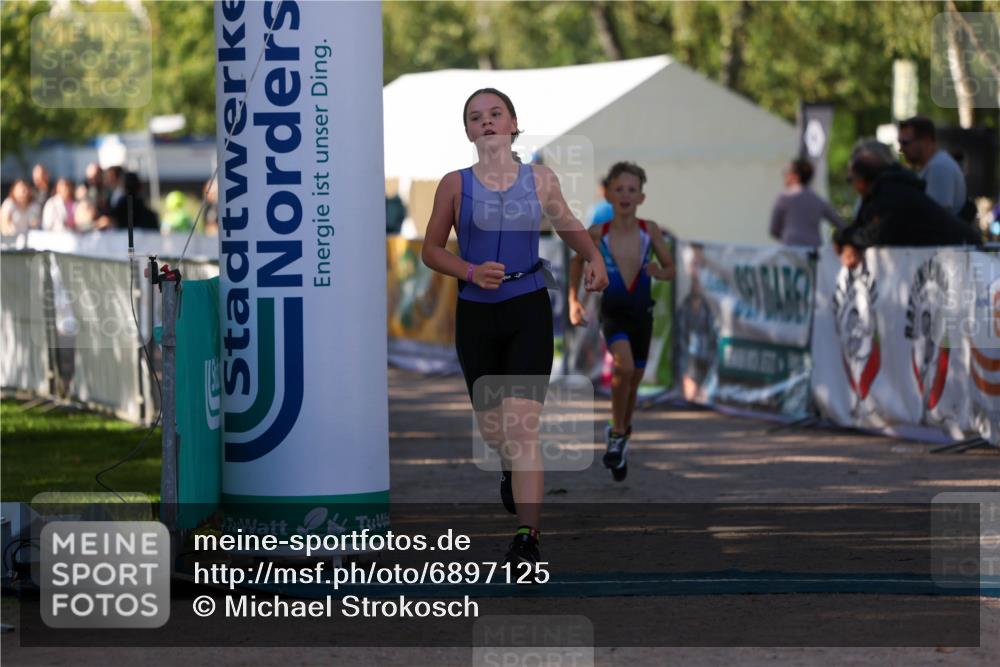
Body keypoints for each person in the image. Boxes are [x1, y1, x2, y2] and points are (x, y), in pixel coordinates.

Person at [421, 88, 608, 568]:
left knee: (523, 429)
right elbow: (432, 250)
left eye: (494, 114)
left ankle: (528, 537)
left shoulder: (540, 179)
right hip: (477, 314)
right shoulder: (454, 185)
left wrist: (592, 256)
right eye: (475, 117)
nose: (486, 122)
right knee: (495, 430)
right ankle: (506, 464)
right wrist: (469, 270)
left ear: (512, 123)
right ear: (467, 131)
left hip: (527, 308)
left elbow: (566, 224)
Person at [567, 162, 675, 481]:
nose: (625, 195)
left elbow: (671, 268)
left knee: (634, 381)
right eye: (619, 189)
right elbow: (576, 262)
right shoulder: (598, 233)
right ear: (608, 194)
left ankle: (622, 435)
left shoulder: (650, 231)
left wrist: (660, 271)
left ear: (641, 197)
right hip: (613, 313)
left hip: (642, 314)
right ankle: (616, 434)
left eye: (632, 190)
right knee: (624, 369)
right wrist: (575, 301)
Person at [835, 142, 980, 270]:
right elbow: (861, 228)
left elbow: (878, 234)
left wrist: (846, 238)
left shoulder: (892, 193)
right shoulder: (879, 192)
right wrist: (847, 241)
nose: (853, 185)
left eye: (850, 180)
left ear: (861, 180)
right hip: (949, 255)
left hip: (959, 256)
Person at [897, 116, 969, 219]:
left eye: (905, 142)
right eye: (899, 143)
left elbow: (935, 219)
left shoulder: (939, 167)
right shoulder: (934, 165)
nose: (901, 149)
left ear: (926, 140)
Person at [769, 158, 845, 246]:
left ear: (795, 176)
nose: (784, 175)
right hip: (813, 251)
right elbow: (840, 223)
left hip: (791, 250)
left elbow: (774, 230)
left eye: (786, 172)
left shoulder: (784, 197)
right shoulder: (817, 199)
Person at [1, 180, 41, 245]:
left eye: (25, 189)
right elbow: (4, 225)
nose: (23, 192)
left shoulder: (34, 206)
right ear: (14, 191)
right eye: (20, 189)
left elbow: (35, 225)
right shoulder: (8, 204)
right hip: (9, 243)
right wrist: (12, 233)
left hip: (28, 243)